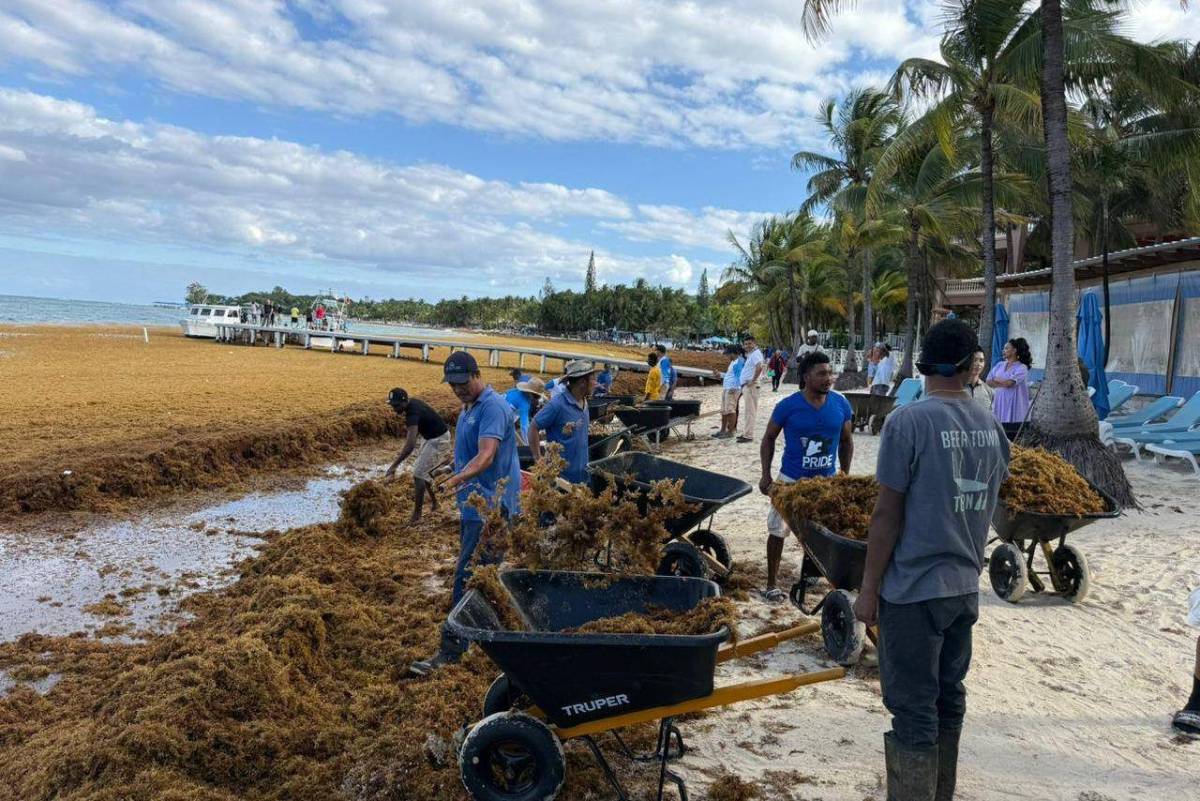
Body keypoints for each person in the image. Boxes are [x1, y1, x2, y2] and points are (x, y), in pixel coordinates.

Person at [853, 319, 1011, 801]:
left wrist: (867, 589)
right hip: (963, 586)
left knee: (913, 707)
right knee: (949, 698)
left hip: (914, 589)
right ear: (969, 368)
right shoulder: (990, 423)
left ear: (924, 364)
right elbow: (990, 497)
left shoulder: (910, 421)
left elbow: (886, 516)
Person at [409, 352, 521, 676]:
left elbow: (485, 456)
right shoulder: (469, 407)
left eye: (462, 383)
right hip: (474, 507)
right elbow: (468, 453)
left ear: (476, 374)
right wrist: (448, 467)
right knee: (480, 576)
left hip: (491, 509)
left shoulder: (493, 407)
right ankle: (487, 641)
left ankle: (453, 652)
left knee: (469, 578)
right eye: (452, 385)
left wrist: (455, 479)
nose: (457, 390)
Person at [759, 351, 854, 601]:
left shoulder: (841, 404)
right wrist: (765, 475)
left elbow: (846, 442)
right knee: (777, 529)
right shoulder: (788, 406)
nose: (829, 378)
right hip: (791, 480)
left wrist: (844, 475)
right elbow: (768, 438)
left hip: (825, 482)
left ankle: (812, 574)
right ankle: (771, 583)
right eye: (822, 373)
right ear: (806, 376)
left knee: (822, 531)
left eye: (830, 372)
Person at [383, 388, 452, 524]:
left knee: (418, 475)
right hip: (430, 437)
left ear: (404, 402)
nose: (394, 409)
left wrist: (394, 466)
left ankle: (417, 516)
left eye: (396, 405)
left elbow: (410, 445)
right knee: (423, 473)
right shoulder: (411, 405)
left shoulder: (412, 414)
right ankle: (435, 504)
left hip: (438, 440)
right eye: (392, 405)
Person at [530, 360, 596, 484]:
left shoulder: (584, 402)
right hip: (561, 478)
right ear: (582, 382)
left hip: (582, 474)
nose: (595, 383)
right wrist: (538, 459)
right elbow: (533, 426)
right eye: (592, 380)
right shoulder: (557, 405)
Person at [987, 337, 1032, 424]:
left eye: (1006, 348)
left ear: (1014, 350)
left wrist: (996, 379)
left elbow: (1010, 383)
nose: (1003, 350)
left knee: (1011, 430)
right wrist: (1004, 383)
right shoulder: (999, 365)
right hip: (999, 402)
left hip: (1014, 405)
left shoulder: (1022, 367)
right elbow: (988, 381)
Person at [737, 336, 765, 443]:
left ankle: (748, 435)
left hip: (751, 386)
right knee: (748, 411)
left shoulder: (756, 354)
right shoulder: (752, 354)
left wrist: (752, 380)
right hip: (747, 386)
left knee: (750, 411)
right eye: (746, 344)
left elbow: (759, 367)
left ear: (754, 343)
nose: (747, 346)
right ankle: (746, 433)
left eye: (749, 343)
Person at [505, 376, 547, 444]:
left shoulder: (515, 392)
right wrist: (529, 445)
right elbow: (524, 427)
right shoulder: (524, 403)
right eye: (536, 397)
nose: (536, 399)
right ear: (531, 393)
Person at [714, 346, 744, 439]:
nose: (727, 356)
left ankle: (730, 431)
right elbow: (729, 375)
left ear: (733, 353)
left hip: (733, 389)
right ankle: (723, 430)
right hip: (727, 387)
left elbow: (740, 377)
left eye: (728, 354)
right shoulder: (733, 362)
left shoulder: (739, 362)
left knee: (731, 410)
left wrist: (735, 388)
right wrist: (720, 375)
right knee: (724, 410)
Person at [964, 348, 993, 413]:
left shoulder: (988, 390)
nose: (978, 364)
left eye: (981, 360)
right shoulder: (957, 388)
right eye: (975, 360)